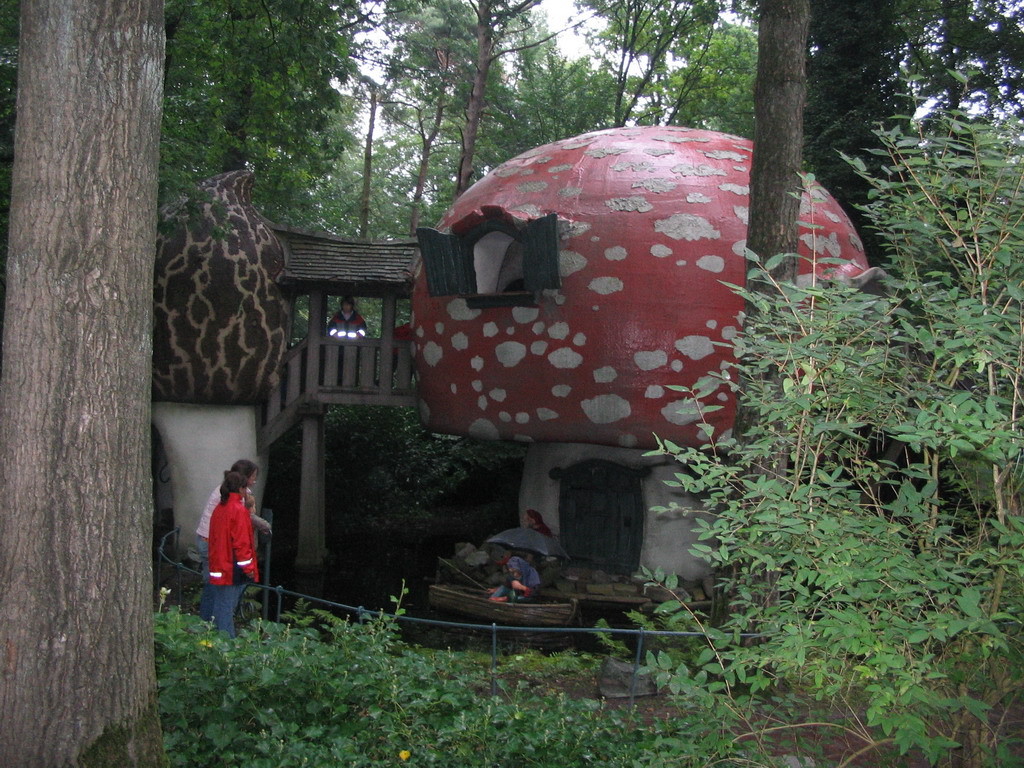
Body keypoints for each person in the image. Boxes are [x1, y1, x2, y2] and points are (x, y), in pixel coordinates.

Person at [196, 459, 269, 622]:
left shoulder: (225, 497)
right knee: (222, 595)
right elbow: (241, 535)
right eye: (252, 478)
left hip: (213, 543)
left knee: (215, 588)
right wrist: (248, 567)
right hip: (220, 548)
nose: (254, 482)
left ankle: (208, 625)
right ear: (242, 481)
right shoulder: (235, 503)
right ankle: (212, 626)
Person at [207, 471, 260, 637]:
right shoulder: (238, 510)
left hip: (219, 562)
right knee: (227, 607)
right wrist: (249, 567)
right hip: (232, 565)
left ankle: (215, 637)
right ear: (241, 489)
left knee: (221, 604)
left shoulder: (219, 508)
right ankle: (227, 643)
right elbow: (242, 543)